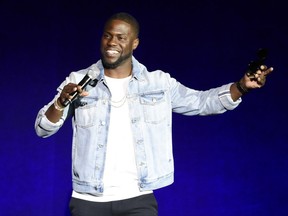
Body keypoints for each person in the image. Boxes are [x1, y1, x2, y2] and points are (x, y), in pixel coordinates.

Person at [35, 12, 273, 216]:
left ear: (134, 43)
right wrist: (61, 102)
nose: (112, 42)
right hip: (88, 200)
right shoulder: (78, 80)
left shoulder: (157, 83)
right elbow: (42, 128)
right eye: (107, 35)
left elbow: (201, 102)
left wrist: (240, 87)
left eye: (121, 37)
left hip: (138, 198)